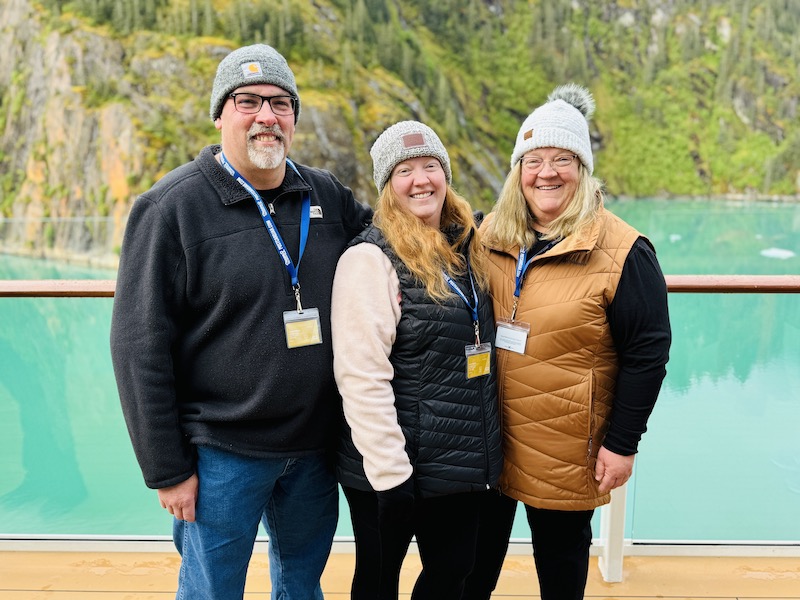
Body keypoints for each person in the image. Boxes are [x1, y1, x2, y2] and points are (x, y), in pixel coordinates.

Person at [109, 44, 372, 600]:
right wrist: (166, 468)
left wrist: (475, 231)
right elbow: (138, 345)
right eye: (246, 101)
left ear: (294, 117)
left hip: (314, 448)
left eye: (280, 103)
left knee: (302, 584)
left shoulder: (323, 193)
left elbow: (396, 241)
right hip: (220, 454)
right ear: (220, 114)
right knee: (211, 590)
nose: (266, 116)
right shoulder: (171, 208)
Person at [464, 84, 672, 599]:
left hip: (564, 442)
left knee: (559, 566)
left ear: (583, 168)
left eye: (563, 159)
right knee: (472, 565)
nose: (547, 172)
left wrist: (622, 443)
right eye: (533, 160)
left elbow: (648, 353)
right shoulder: (490, 235)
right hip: (489, 434)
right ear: (518, 171)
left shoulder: (623, 251)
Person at [331, 121, 503, 600]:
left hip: (458, 460)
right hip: (393, 465)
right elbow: (360, 375)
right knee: (379, 580)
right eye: (405, 170)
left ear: (446, 175)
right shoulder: (370, 259)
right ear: (387, 186)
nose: (421, 180)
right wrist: (390, 474)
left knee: (453, 573)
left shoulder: (467, 245)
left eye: (431, 166)